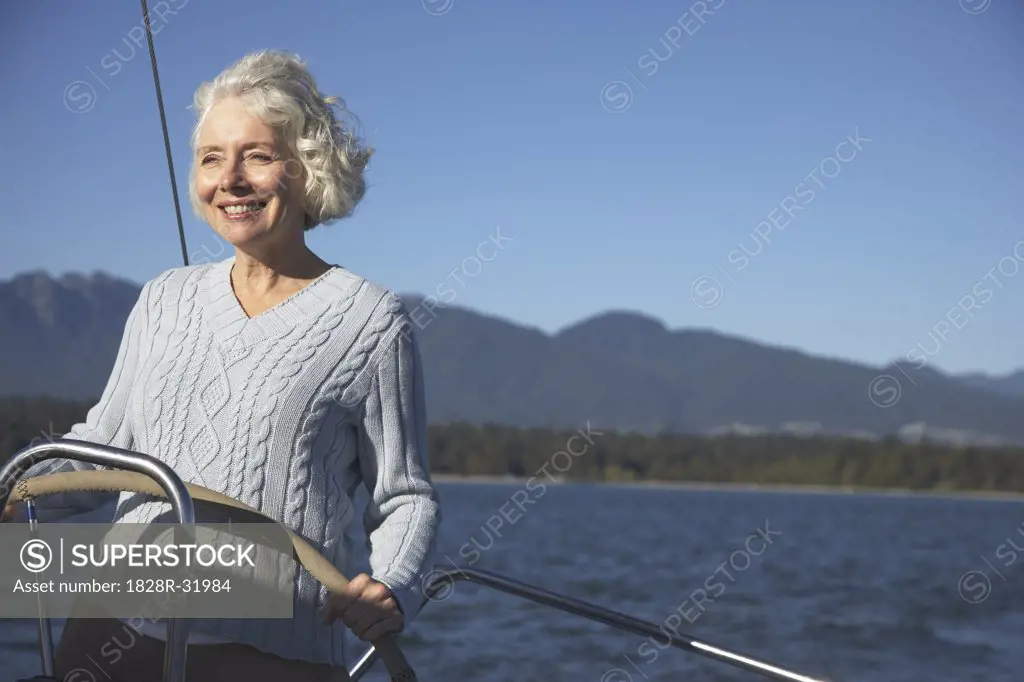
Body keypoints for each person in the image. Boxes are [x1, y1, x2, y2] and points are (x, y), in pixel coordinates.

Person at [4, 50, 441, 681]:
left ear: (307, 167)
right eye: (212, 158)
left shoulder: (370, 320)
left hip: (267, 654)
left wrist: (393, 585)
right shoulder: (164, 298)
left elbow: (405, 497)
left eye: (257, 156)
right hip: (106, 632)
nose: (229, 178)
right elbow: (104, 445)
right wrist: (13, 494)